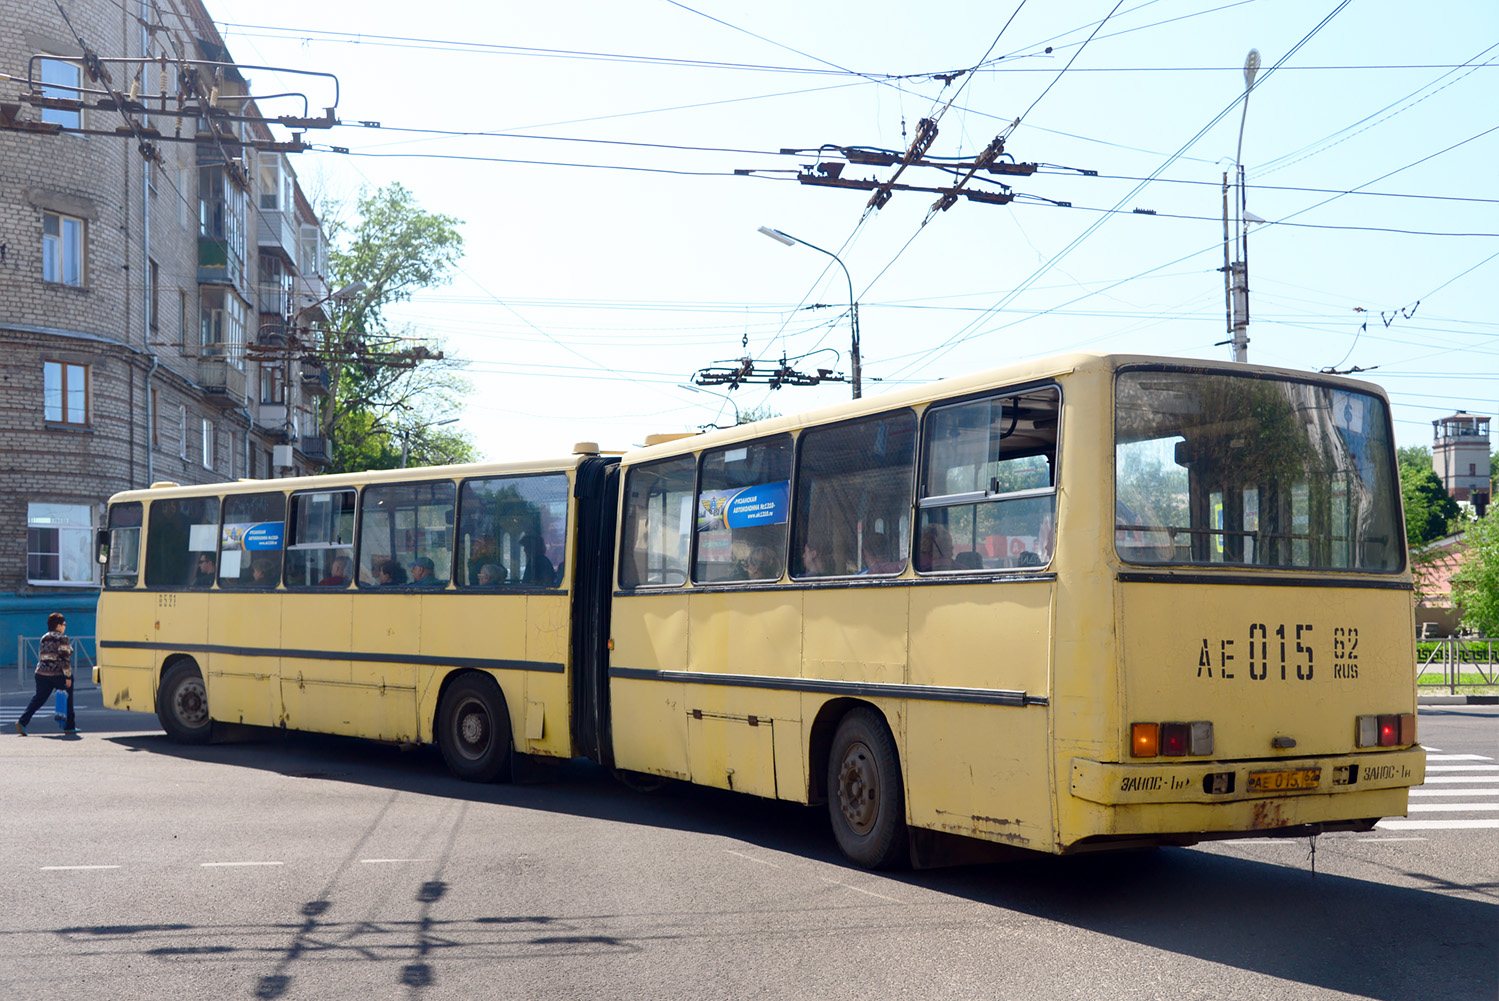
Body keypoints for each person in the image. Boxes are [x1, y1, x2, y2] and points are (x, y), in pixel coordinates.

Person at [16, 612, 74, 735]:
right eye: (63, 624)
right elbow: (65, 659)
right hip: (57, 674)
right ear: (58, 626)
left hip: (41, 673)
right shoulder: (62, 638)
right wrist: (68, 677)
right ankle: (69, 726)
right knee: (67, 696)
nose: (65, 627)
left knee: (38, 699)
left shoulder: (44, 637)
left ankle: (22, 721)